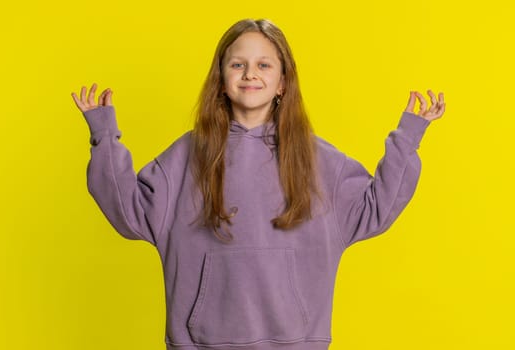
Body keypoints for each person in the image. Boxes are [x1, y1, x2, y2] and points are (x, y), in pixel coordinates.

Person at [71, 18, 445, 350]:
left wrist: (408, 136)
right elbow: (129, 212)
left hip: (296, 341)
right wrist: (104, 136)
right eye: (238, 64)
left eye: (264, 64)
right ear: (221, 79)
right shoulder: (187, 155)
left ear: (283, 82)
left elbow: (375, 209)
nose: (250, 74)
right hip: (199, 342)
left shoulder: (317, 159)